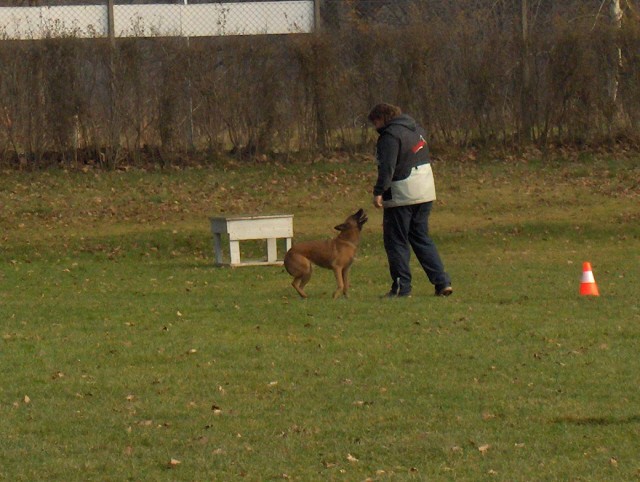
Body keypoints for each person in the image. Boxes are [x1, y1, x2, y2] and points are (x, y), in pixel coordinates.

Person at [368, 103, 452, 298]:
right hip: (426, 189)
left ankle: (401, 287)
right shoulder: (417, 130)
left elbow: (387, 166)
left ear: (383, 118)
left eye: (375, 122)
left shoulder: (389, 136)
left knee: (396, 241)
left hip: (402, 192)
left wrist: (379, 191)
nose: (375, 127)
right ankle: (442, 282)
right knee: (421, 237)